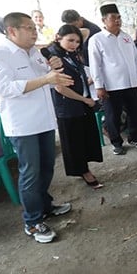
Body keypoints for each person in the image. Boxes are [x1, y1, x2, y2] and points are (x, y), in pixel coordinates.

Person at [0, 12, 74, 243]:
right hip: (22, 125)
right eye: (28, 28)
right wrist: (46, 79)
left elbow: (47, 80)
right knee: (30, 172)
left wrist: (53, 69)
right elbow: (4, 89)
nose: (34, 32)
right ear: (12, 31)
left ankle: (45, 206)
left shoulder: (34, 52)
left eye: (35, 27)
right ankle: (32, 222)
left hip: (43, 119)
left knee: (47, 166)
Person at [47, 25, 104, 188]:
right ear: (58, 37)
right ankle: (84, 171)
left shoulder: (70, 54)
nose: (75, 44)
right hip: (69, 106)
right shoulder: (55, 58)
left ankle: (83, 168)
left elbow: (84, 32)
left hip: (82, 101)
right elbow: (60, 87)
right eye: (70, 40)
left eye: (77, 41)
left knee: (86, 137)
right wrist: (84, 100)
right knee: (75, 142)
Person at [88, 3, 137, 156]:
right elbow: (95, 65)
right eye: (113, 18)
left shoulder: (126, 37)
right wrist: (99, 86)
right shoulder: (97, 39)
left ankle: (134, 137)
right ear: (104, 20)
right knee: (112, 116)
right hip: (111, 86)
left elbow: (135, 60)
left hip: (130, 83)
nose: (117, 20)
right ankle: (116, 143)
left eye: (119, 17)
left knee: (135, 112)